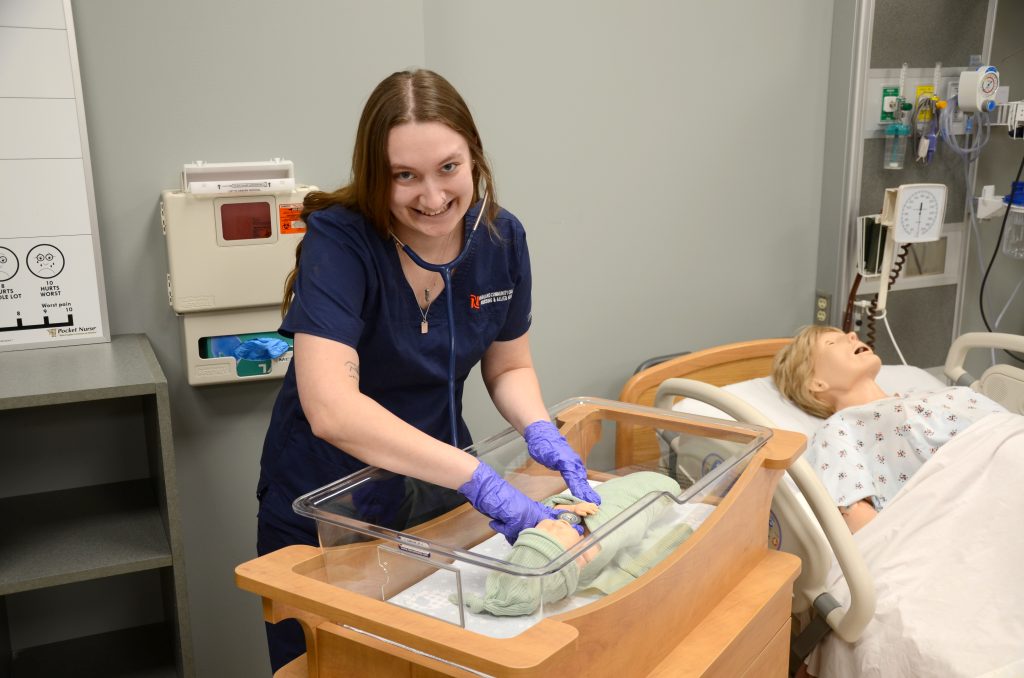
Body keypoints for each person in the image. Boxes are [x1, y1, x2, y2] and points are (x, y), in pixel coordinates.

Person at [255, 69, 600, 672]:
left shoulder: (500, 238)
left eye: (449, 168)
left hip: (434, 489)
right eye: (404, 175)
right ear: (375, 175)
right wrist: (480, 480)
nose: (433, 197)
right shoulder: (341, 242)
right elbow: (331, 407)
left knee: (426, 657)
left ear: (475, 160)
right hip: (329, 499)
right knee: (326, 661)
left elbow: (509, 364)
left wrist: (539, 429)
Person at [772, 325, 1005, 533]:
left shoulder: (927, 394)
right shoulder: (838, 429)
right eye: (832, 342)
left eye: (847, 335)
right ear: (816, 383)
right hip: (984, 496)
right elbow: (856, 513)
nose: (853, 334)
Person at [461, 471, 692, 617]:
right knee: (647, 505)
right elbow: (629, 547)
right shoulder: (588, 554)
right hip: (651, 493)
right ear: (576, 559)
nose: (555, 525)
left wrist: (569, 508)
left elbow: (550, 508)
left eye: (542, 528)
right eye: (556, 535)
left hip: (621, 485)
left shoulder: (555, 527)